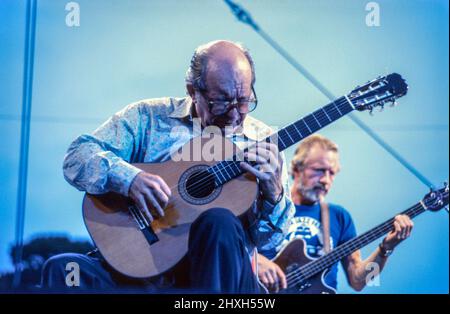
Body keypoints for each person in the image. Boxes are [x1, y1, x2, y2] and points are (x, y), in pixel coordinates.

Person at [40, 40, 296, 293]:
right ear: (192, 90)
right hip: (141, 272)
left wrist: (274, 195)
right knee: (62, 270)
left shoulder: (264, 144)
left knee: (218, 220)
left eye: (243, 100)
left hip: (218, 275)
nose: (233, 114)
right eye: (221, 101)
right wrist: (129, 179)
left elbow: (271, 245)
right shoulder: (148, 117)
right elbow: (77, 155)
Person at [256, 134, 414, 292]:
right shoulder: (267, 206)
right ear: (297, 168)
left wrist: (386, 249)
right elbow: (235, 249)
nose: (325, 180)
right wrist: (255, 260)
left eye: (331, 173)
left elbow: (358, 281)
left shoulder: (339, 216)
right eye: (319, 170)